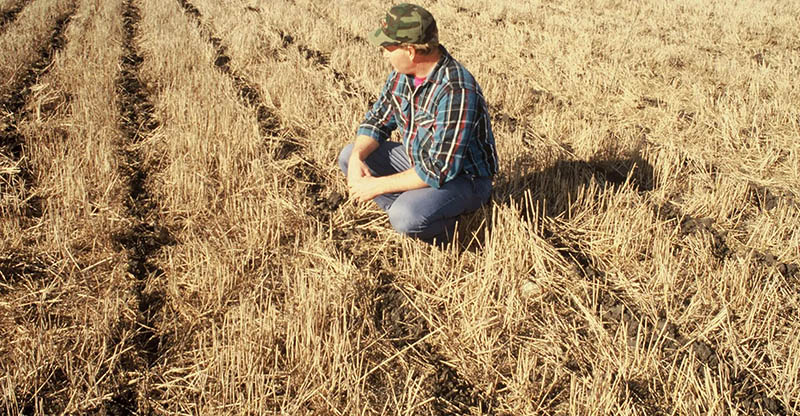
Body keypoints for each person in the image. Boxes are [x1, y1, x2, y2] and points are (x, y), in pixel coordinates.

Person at [338, 3, 498, 245]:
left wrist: (376, 186)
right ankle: (412, 210)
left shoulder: (456, 90)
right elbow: (377, 120)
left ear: (410, 51)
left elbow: (439, 169)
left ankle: (451, 229)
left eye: (388, 47)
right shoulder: (401, 75)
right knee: (349, 155)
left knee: (406, 216)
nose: (383, 53)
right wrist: (357, 157)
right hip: (417, 160)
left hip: (464, 179)